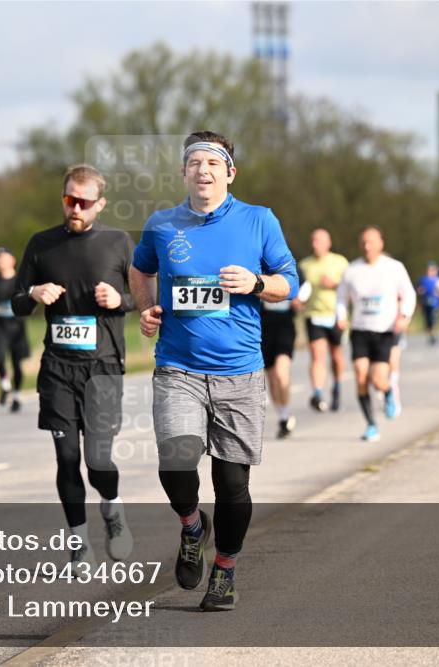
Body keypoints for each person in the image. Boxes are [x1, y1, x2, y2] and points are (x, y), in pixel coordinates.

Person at [130, 131, 298, 611]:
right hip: (178, 368)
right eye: (194, 162)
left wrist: (258, 281)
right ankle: (191, 525)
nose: (203, 170)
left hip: (239, 373)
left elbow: (290, 282)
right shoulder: (162, 225)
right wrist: (146, 308)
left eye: (212, 162)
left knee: (232, 485)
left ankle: (224, 569)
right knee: (176, 464)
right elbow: (140, 270)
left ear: (229, 172)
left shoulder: (258, 220)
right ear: (184, 172)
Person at [11, 164, 135, 573]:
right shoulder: (41, 244)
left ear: (99, 204)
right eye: (69, 200)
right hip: (58, 368)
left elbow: (142, 295)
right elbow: (15, 303)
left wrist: (119, 300)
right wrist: (32, 291)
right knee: (67, 457)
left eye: (83, 201)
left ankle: (112, 508)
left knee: (98, 460)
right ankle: (78, 544)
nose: (75, 208)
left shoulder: (118, 242)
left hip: (103, 366)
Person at [335, 227, 416, 442]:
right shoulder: (352, 270)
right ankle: (371, 425)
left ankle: (388, 392)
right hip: (360, 330)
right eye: (363, 242)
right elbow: (341, 297)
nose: (366, 246)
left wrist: (404, 316)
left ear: (381, 243)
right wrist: (341, 316)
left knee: (378, 379)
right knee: (361, 377)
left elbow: (409, 294)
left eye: (371, 242)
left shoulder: (394, 267)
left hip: (385, 331)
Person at [298, 229, 348, 413]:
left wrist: (334, 284)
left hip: (335, 315)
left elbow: (350, 289)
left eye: (319, 241)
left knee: (336, 355)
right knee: (317, 355)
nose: (315, 244)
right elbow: (300, 289)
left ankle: (337, 386)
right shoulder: (305, 265)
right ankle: (318, 393)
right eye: (313, 240)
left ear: (328, 243)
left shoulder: (340, 262)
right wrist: (299, 301)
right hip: (314, 315)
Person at [262, 274, 308, 439]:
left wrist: (300, 301)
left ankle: (285, 412)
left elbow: (305, 285)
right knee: (272, 378)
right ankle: (283, 417)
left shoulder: (286, 264)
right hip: (263, 326)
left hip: (284, 325)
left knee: (282, 373)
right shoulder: (255, 263)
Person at [0, 247, 30, 412]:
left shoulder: (20, 280)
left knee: (16, 363)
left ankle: (17, 395)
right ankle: (5, 384)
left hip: (17, 326)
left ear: (12, 260)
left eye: (3, 258)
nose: (0, 261)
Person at [416, 262, 439, 345]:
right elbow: (418, 290)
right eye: (429, 270)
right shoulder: (422, 279)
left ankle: (434, 335)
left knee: (434, 319)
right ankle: (430, 336)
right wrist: (421, 291)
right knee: (427, 320)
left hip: (435, 304)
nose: (431, 271)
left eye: (432, 270)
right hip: (425, 303)